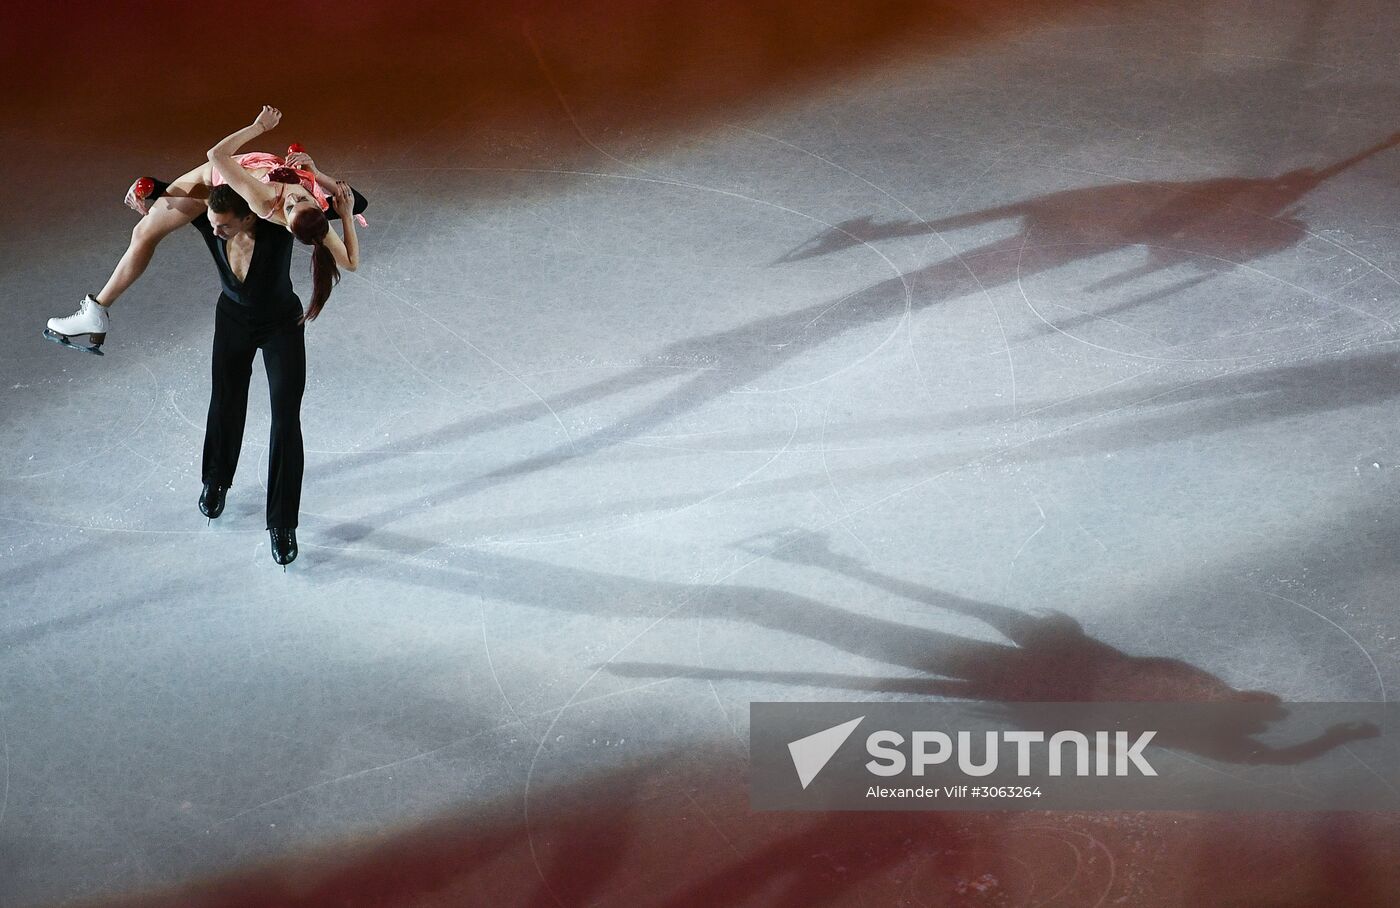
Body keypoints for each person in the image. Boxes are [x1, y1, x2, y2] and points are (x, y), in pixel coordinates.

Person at [44, 106, 361, 353]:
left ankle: (96, 313)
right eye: (300, 201)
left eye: (289, 208)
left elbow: (216, 156)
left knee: (145, 230)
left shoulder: (266, 200)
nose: (293, 198)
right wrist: (326, 187)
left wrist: (259, 127)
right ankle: (98, 310)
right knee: (147, 222)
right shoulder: (315, 216)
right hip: (228, 186)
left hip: (217, 178)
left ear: (287, 224)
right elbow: (350, 259)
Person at [189, 178, 363, 566]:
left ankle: (282, 524)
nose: (214, 231)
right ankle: (215, 480)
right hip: (231, 321)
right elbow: (168, 193)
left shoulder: (278, 224)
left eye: (224, 226)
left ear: (249, 216)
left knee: (285, 420)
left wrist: (320, 181)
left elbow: (351, 201)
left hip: (281, 326)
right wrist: (146, 191)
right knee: (225, 401)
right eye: (213, 224)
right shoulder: (210, 219)